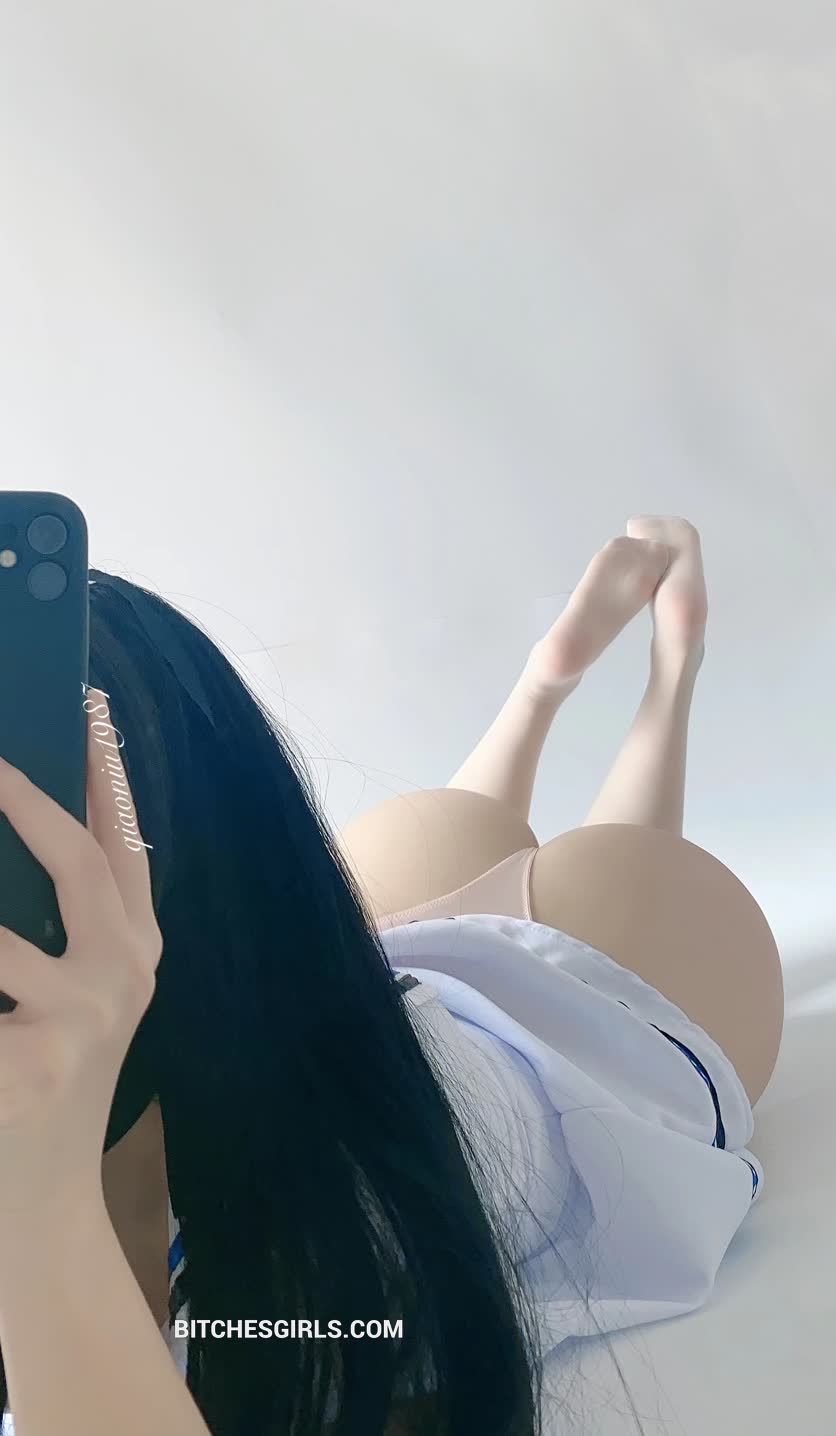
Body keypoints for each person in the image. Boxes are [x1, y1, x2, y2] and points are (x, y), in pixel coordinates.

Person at [0, 516, 784, 1436]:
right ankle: (545, 681)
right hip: (367, 984)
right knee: (490, 841)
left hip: (571, 1037)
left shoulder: (322, 1260)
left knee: (617, 861)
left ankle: (668, 670)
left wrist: (40, 1196)